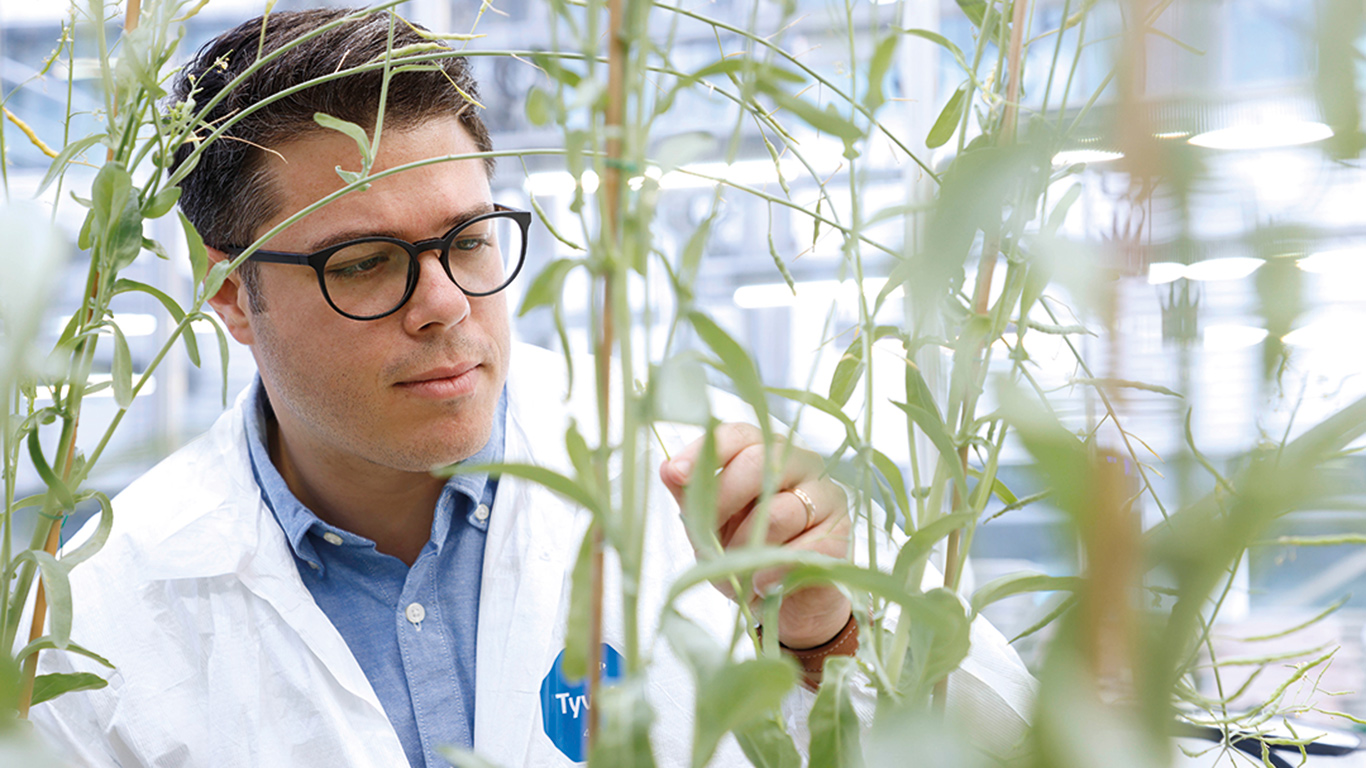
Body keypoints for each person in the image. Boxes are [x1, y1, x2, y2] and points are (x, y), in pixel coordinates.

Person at [31, 8, 1033, 767]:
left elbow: (998, 739)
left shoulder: (694, 489)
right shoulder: (101, 623)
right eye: (368, 263)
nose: (444, 305)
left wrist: (823, 632)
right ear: (227, 291)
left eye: (469, 240)